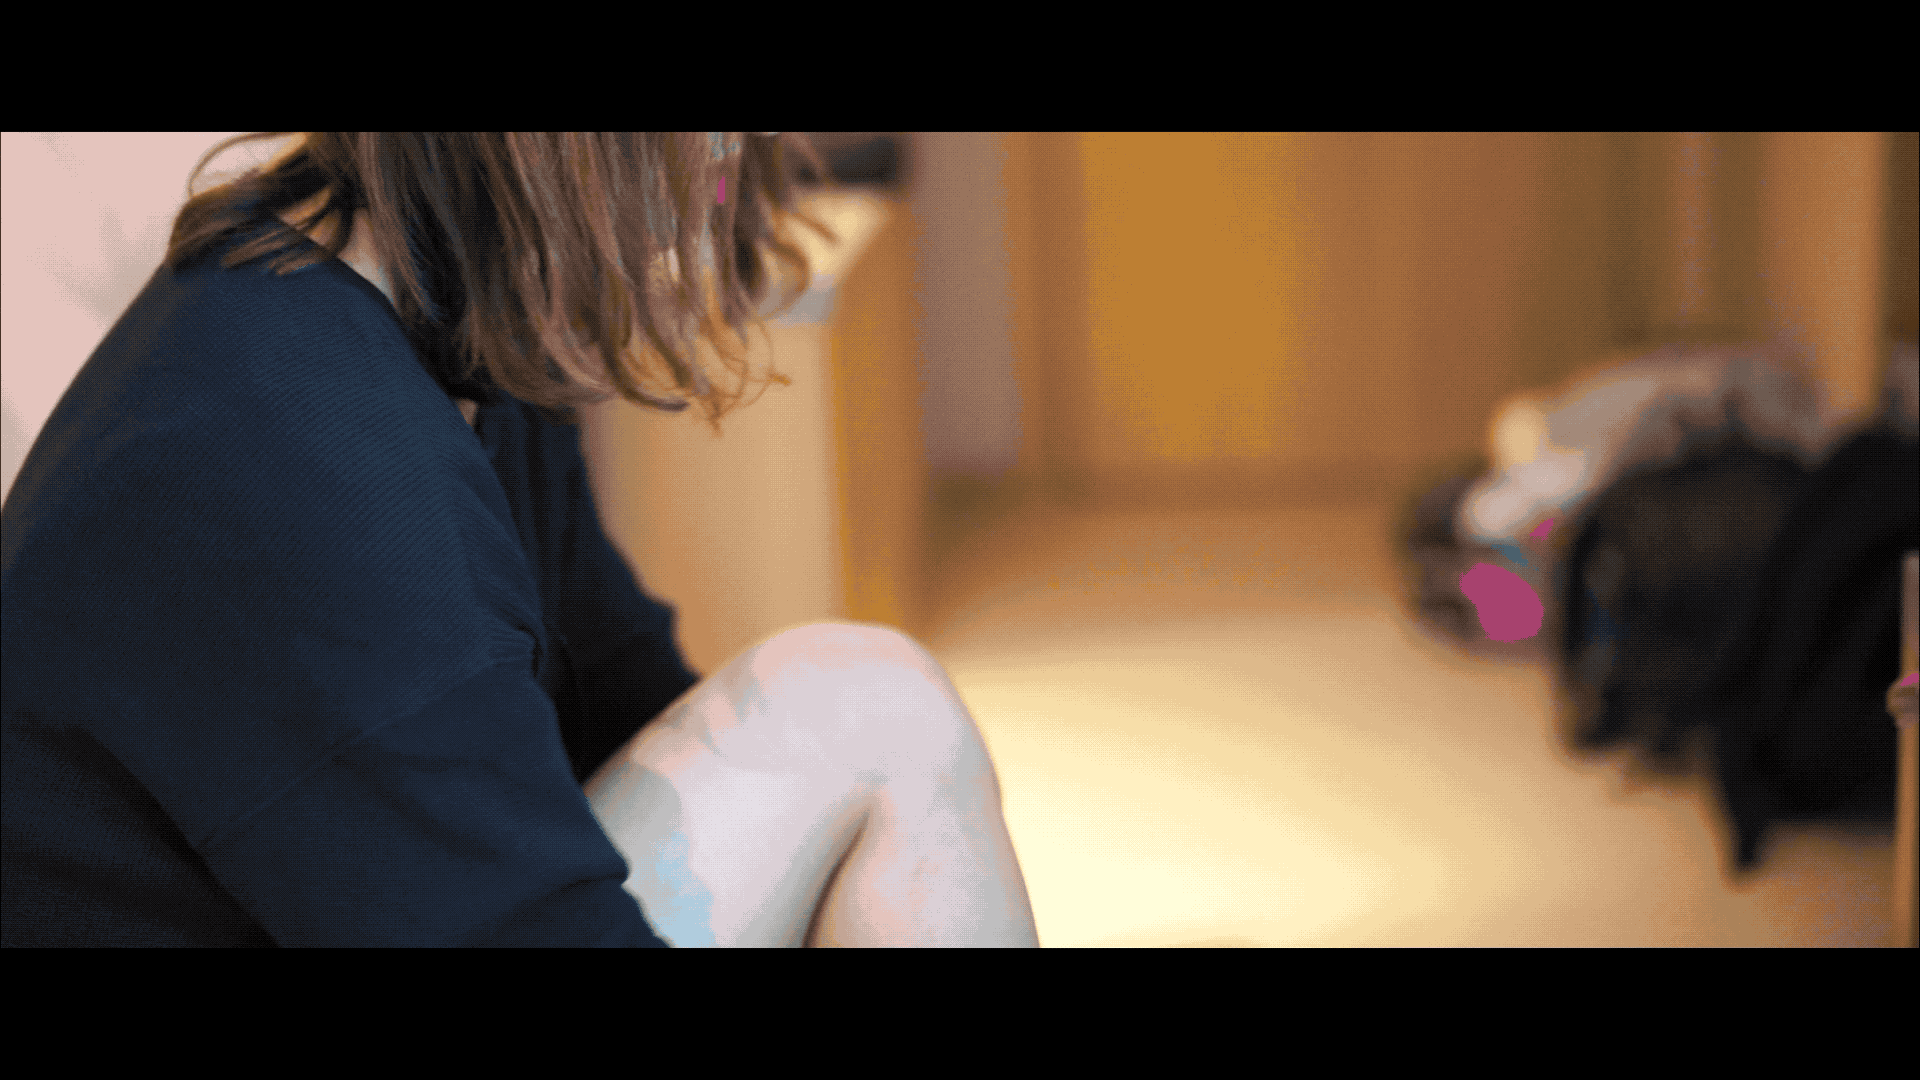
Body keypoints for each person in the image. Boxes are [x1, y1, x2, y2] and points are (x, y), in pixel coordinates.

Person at [2, 132, 1039, 947]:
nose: (733, 152)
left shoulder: (448, 338)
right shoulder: (313, 466)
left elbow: (623, 710)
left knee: (856, 713)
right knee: (875, 709)